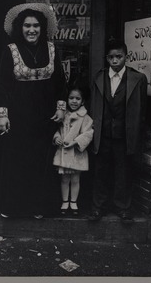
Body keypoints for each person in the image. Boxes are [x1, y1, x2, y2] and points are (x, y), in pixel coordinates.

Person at [0, 3, 67, 219]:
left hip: (45, 115)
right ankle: (16, 208)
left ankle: (41, 207)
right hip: (19, 116)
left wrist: (61, 107)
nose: (31, 30)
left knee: (42, 161)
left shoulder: (52, 49)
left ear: (42, 27)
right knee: (18, 160)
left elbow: (60, 83)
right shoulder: (10, 51)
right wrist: (3, 115)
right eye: (27, 25)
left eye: (36, 25)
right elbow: (2, 85)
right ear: (20, 27)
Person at [90, 39, 147, 223]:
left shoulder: (137, 79)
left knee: (123, 171)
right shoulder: (99, 77)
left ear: (126, 57)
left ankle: (122, 207)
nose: (115, 60)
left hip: (124, 135)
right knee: (101, 171)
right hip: (103, 134)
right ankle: (99, 207)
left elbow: (143, 109)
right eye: (111, 57)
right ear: (107, 58)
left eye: (119, 56)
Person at [53, 83, 93, 215]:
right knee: (64, 178)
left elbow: (88, 133)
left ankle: (74, 201)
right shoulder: (63, 115)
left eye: (78, 99)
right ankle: (65, 201)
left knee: (76, 179)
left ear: (83, 101)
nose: (74, 101)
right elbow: (57, 129)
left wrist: (76, 142)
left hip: (76, 153)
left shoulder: (85, 117)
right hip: (64, 152)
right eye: (71, 98)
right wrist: (57, 137)